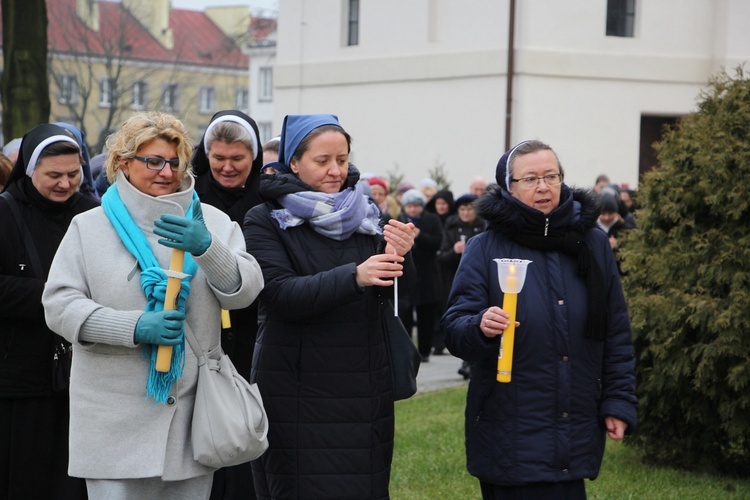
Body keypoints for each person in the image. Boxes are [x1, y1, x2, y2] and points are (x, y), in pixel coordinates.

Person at [42, 112, 265, 499]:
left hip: (190, 414)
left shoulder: (213, 221)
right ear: (123, 163)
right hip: (110, 417)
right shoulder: (88, 227)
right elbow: (59, 304)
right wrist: (132, 327)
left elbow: (244, 294)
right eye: (153, 161)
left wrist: (208, 248)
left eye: (174, 162)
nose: (166, 172)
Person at [442, 140, 637, 499]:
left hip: (574, 423)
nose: (544, 187)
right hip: (508, 427)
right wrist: (480, 326)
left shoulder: (591, 243)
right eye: (530, 179)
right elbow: (454, 327)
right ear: (509, 188)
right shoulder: (486, 248)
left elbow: (616, 330)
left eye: (551, 176)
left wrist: (618, 401)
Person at [243, 113, 416, 499]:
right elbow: (279, 294)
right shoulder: (265, 219)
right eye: (323, 161)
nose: (336, 170)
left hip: (364, 388)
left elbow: (399, 295)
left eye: (342, 159)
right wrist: (354, 276)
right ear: (293, 162)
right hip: (296, 387)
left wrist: (401, 256)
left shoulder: (368, 215)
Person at [1, 124, 99, 499]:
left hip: (82, 375)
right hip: (20, 381)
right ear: (29, 171)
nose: (65, 183)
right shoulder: (6, 214)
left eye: (73, 174)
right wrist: (53, 297)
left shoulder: (93, 214)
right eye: (53, 175)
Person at [191, 110, 265, 500]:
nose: (227, 167)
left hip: (255, 325)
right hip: (202, 328)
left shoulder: (269, 198)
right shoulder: (189, 194)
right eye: (218, 157)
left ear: (254, 158)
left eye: (238, 158)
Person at [436, 193, 485, 368]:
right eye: (462, 209)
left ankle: (470, 362)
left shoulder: (483, 228)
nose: (466, 213)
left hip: (478, 279)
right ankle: (464, 359)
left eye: (469, 209)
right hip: (454, 278)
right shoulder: (451, 229)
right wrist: (454, 251)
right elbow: (441, 256)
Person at [398, 188, 443, 362]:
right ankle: (406, 350)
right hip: (407, 274)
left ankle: (424, 351)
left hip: (428, 276)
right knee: (406, 315)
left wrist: (420, 235)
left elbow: (437, 242)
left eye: (416, 206)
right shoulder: (400, 220)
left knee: (426, 317)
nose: (413, 209)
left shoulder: (432, 220)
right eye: (409, 206)